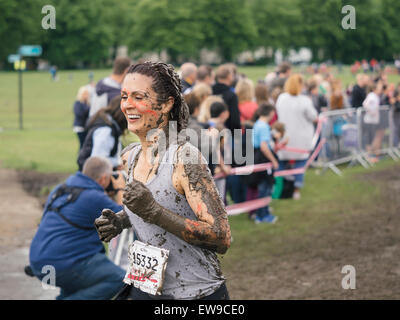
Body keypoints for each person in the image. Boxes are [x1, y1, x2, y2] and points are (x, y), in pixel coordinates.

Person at [95, 61, 231, 300]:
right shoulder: (131, 156)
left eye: (139, 97)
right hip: (146, 286)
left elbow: (221, 236)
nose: (127, 105)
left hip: (194, 293)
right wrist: (121, 220)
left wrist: (153, 212)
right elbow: (159, 203)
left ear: (167, 104)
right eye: (125, 96)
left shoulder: (184, 158)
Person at [29, 157, 126, 300]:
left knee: (76, 288)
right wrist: (120, 189)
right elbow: (125, 216)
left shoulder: (59, 189)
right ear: (104, 178)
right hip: (64, 264)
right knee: (119, 280)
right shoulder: (94, 197)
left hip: (38, 261)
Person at [276, 74, 318, 200]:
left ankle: (279, 188)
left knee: (281, 163)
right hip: (301, 138)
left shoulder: (281, 98)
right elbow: (314, 117)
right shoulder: (305, 100)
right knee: (300, 163)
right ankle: (295, 190)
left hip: (285, 137)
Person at [78, 96, 127, 171]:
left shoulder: (109, 125)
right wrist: (118, 163)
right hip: (93, 177)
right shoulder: (105, 130)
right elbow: (98, 160)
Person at [248, 104, 278, 224]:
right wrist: (274, 161)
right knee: (265, 187)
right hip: (263, 158)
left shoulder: (257, 124)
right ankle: (263, 215)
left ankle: (261, 213)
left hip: (256, 156)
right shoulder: (264, 126)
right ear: (271, 113)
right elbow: (264, 146)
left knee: (262, 187)